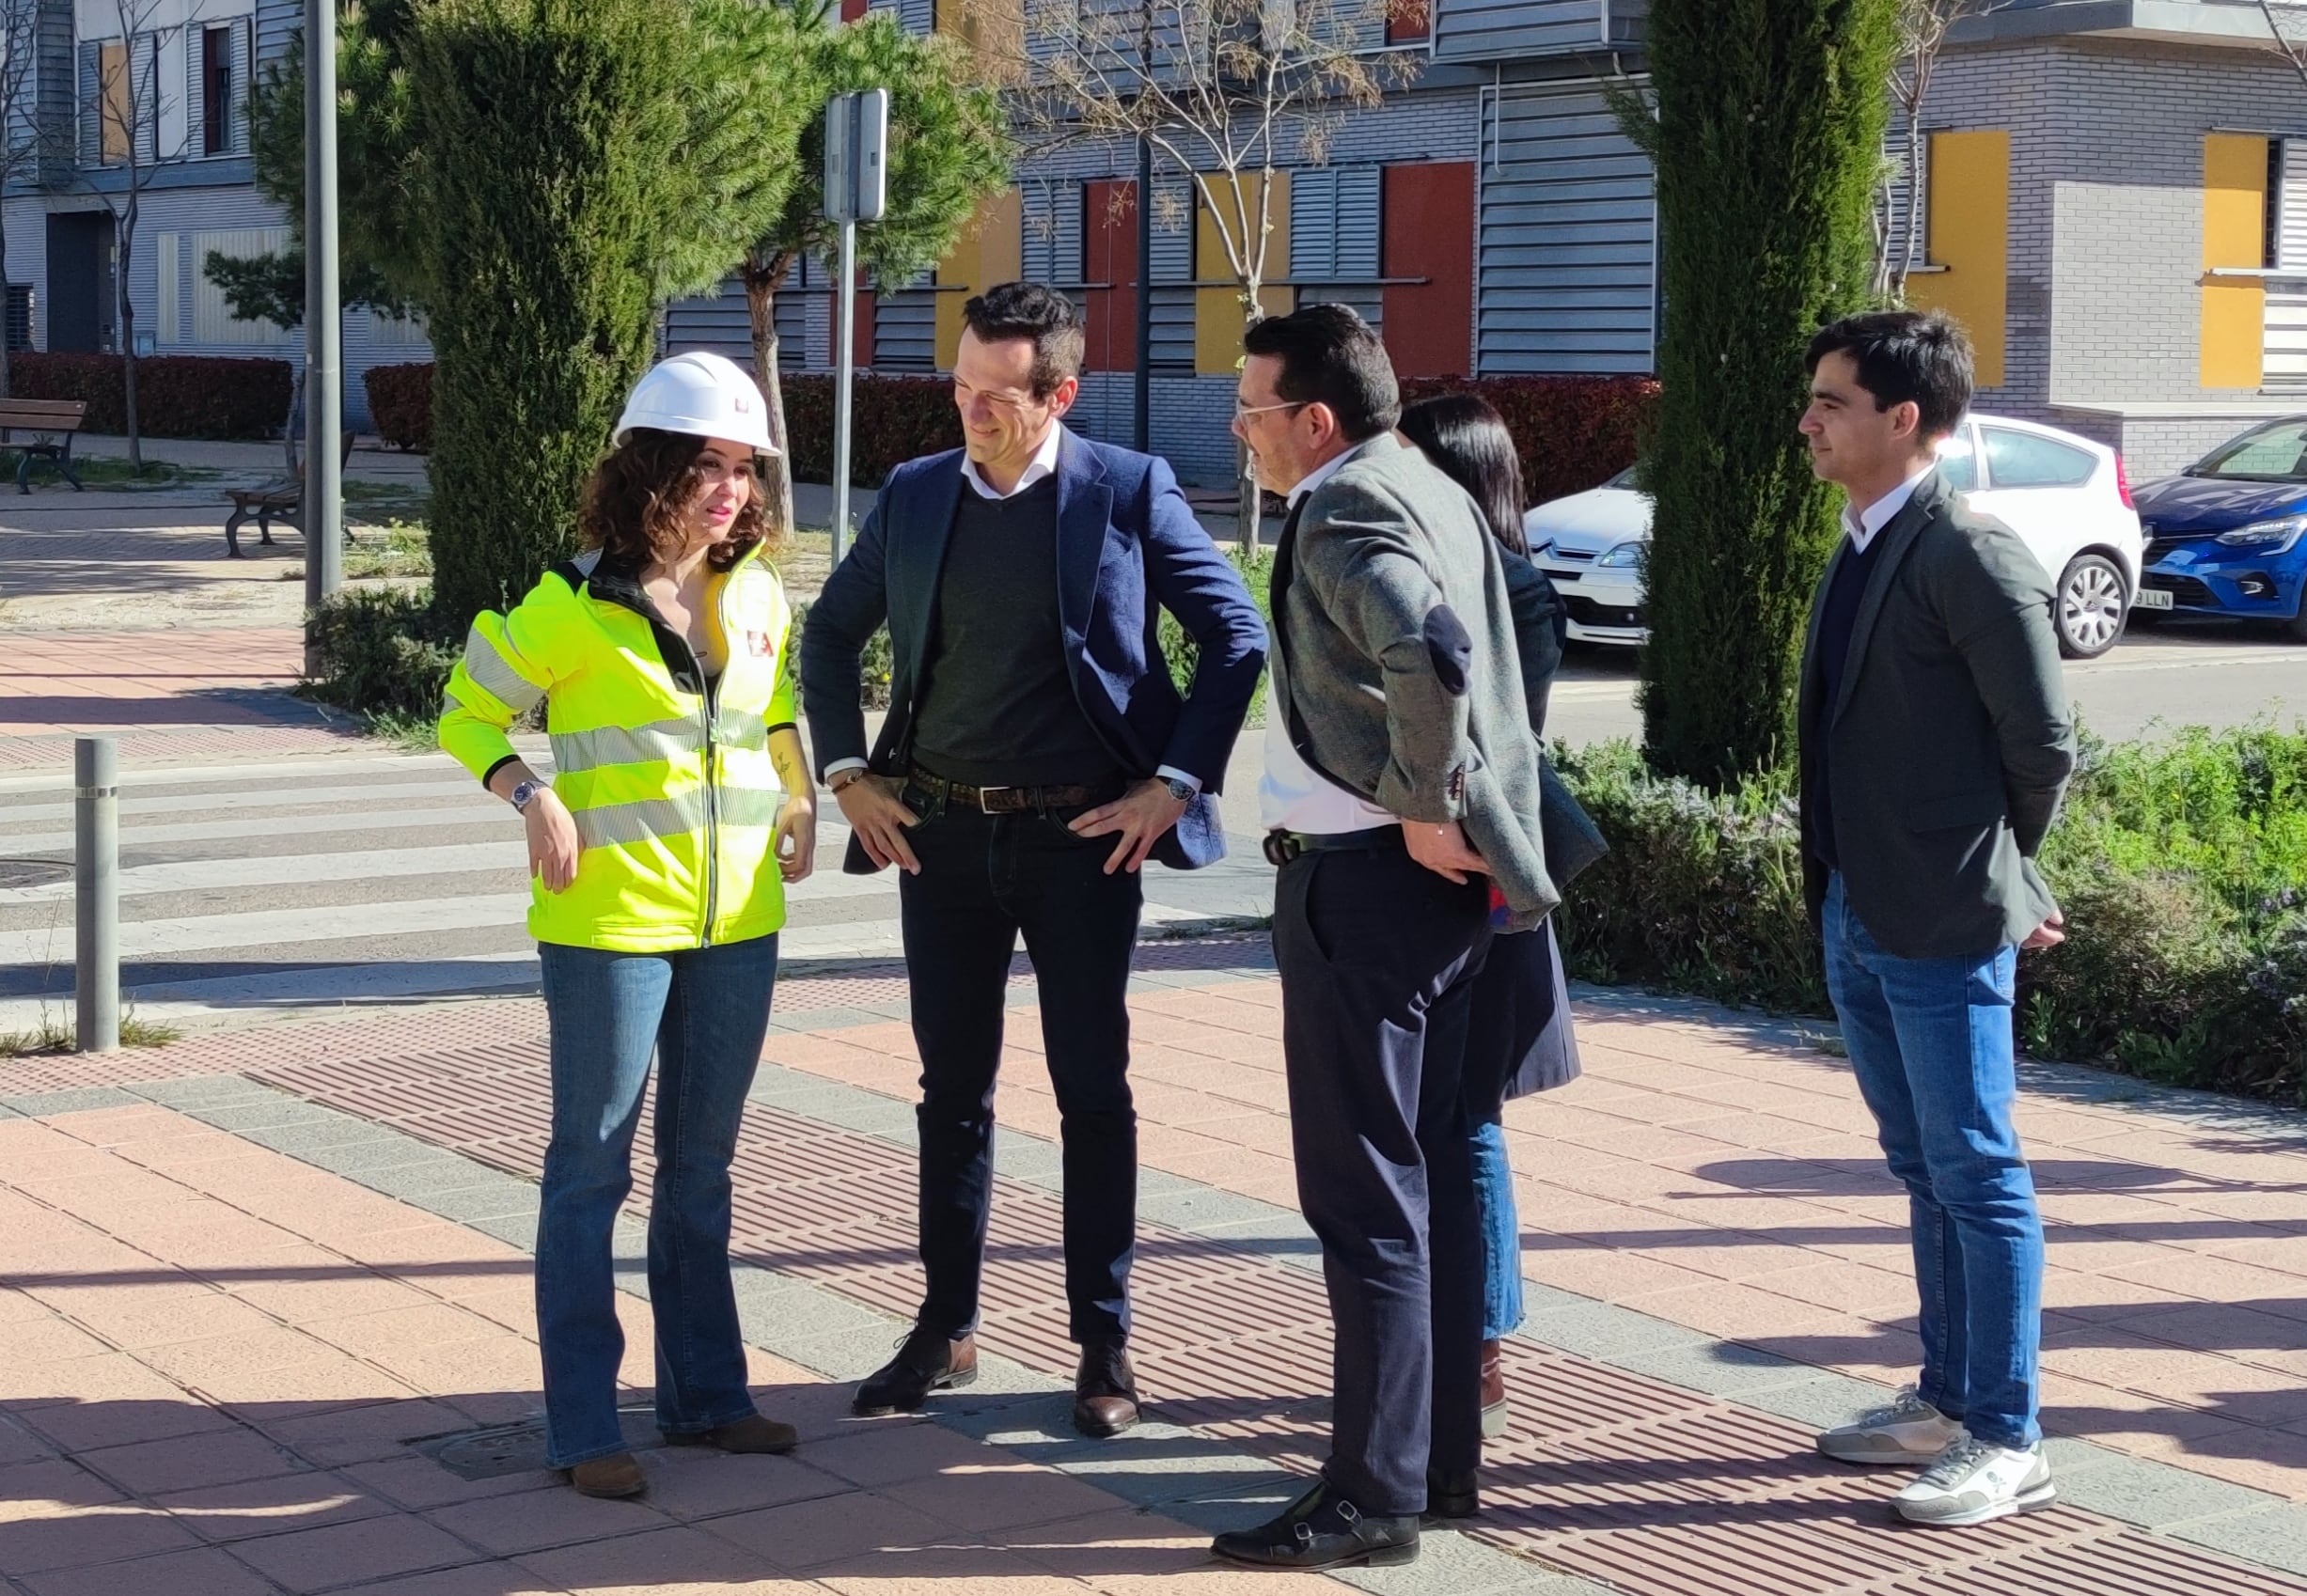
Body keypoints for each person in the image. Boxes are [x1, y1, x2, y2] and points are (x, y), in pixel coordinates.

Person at [801, 282, 1265, 1439]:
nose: (970, 411)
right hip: (940, 838)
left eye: (997, 396)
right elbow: (829, 629)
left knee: (1091, 1093)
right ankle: (944, 1323)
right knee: (949, 1094)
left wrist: (1176, 782)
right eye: (959, 388)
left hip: (1082, 842)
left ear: (1059, 392)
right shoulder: (914, 494)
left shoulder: (1124, 488)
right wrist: (847, 772)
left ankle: (1103, 1341)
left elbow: (1234, 635)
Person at [436, 352, 818, 1499]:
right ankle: (583, 1425)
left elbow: (777, 712)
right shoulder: (569, 606)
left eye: (746, 470)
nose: (732, 491)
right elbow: (464, 709)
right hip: (606, 927)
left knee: (702, 1168)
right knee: (589, 1171)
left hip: (739, 920)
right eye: (708, 466)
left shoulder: (757, 597)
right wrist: (527, 789)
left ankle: (706, 1398)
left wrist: (797, 796)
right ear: (650, 470)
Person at [1210, 305, 1553, 1573]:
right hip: (1444, 891)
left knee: (1365, 1201)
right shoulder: (1423, 477)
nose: (1237, 430)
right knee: (1431, 1174)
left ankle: (1369, 1496)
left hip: (1368, 885)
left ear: (1314, 418)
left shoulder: (1349, 504)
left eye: (1249, 409)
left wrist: (1421, 800)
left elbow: (1427, 650)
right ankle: (1438, 1463)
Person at [1797, 310, 2076, 1527]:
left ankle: (2008, 1433)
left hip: (1944, 912)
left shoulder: (1968, 551)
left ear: (1901, 418)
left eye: (1831, 402)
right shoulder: (1862, 542)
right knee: (1921, 1162)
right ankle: (1945, 1394)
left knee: (1977, 1167)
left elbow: (2043, 744)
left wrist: (1998, 871)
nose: (1807, 421)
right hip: (1858, 902)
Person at [1397, 392, 1584, 1441]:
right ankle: (1451, 1334)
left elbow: (1496, 748)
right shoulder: (1440, 577)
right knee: (1439, 1117)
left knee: (1467, 1117)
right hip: (1427, 879)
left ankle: (1480, 1339)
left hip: (1482, 888)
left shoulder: (1510, 592)